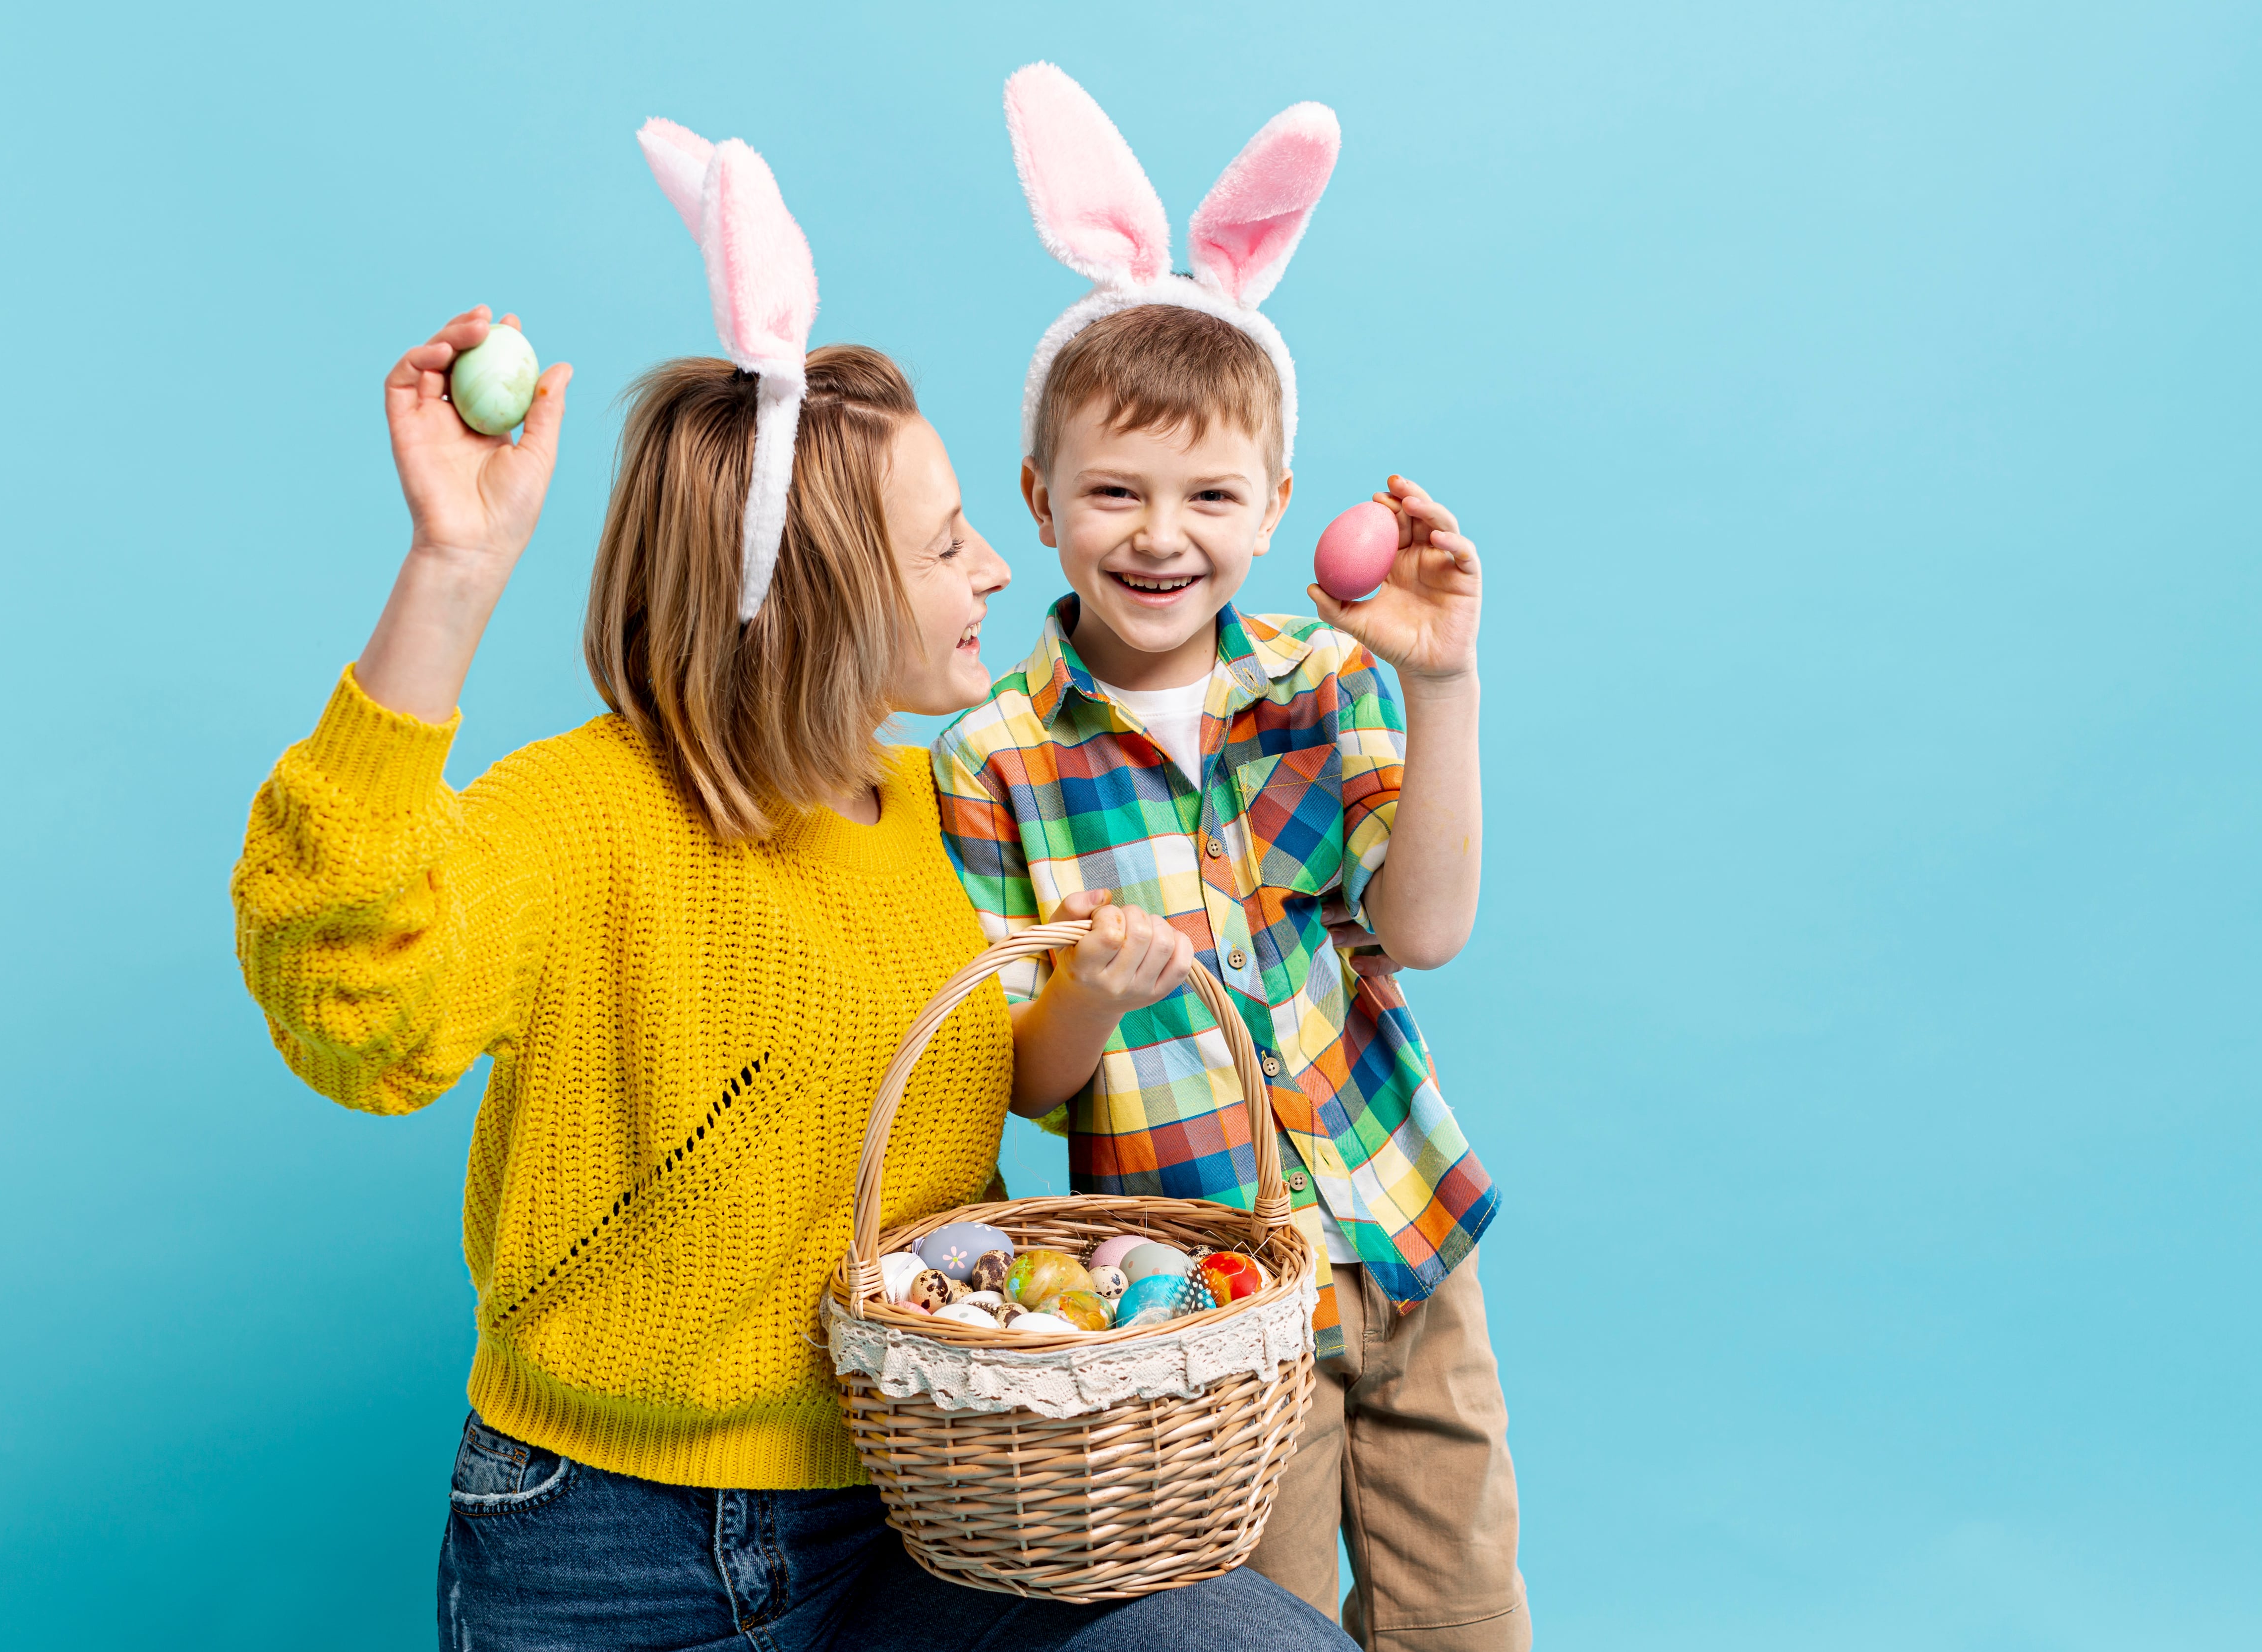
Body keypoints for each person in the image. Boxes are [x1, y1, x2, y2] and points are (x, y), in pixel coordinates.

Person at [230, 118, 1355, 1652]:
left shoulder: (943, 808)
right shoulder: (587, 816)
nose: (995, 571)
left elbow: (1022, 1083)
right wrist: (455, 569)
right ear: (816, 597)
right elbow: (353, 1008)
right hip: (608, 1551)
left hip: (930, 1516)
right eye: (947, 547)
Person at [933, 69, 1527, 1650]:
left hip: (1402, 1228)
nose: (1160, 533)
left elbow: (1428, 929)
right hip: (1206, 1300)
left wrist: (1442, 685)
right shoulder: (996, 755)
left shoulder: (1327, 683)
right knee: (1264, 1628)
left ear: (1273, 509)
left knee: (1468, 1614)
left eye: (1209, 494)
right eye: (1113, 492)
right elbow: (1026, 1084)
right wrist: (1095, 995)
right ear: (1040, 500)